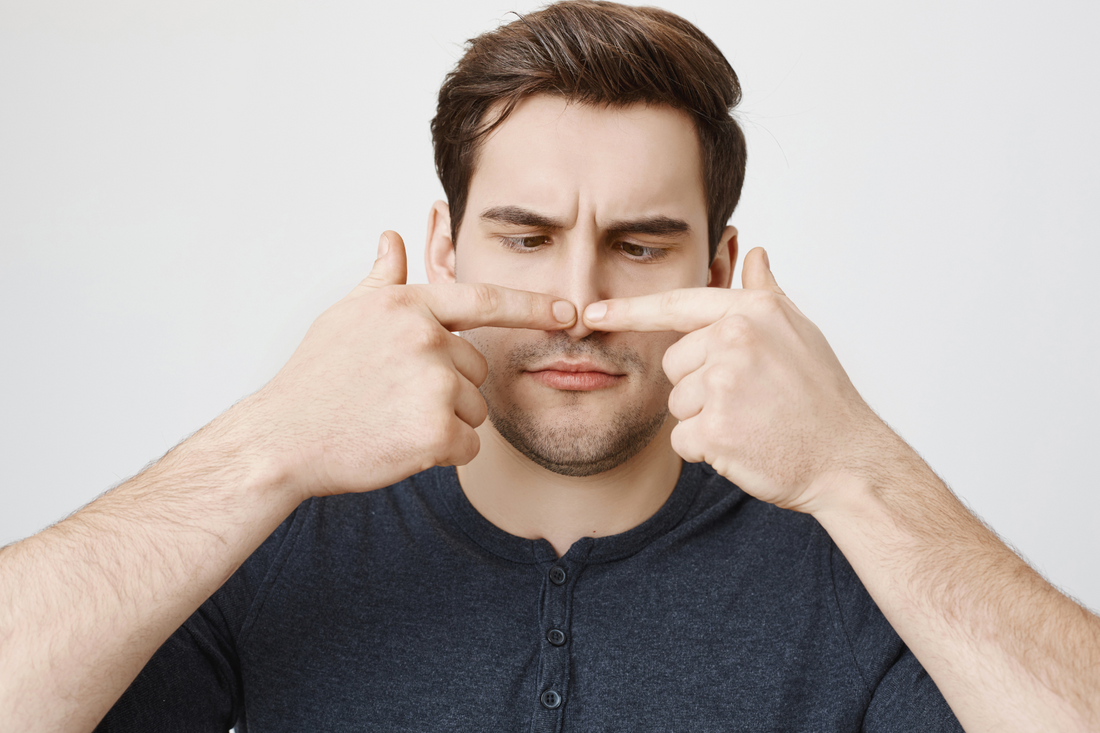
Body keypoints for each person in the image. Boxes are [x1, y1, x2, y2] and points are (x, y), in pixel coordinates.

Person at [1, 1, 1098, 730]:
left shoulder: (847, 563)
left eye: (638, 244)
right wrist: (263, 447)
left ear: (721, 265)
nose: (580, 307)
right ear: (443, 250)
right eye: (525, 239)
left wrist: (855, 465)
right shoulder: (280, 534)